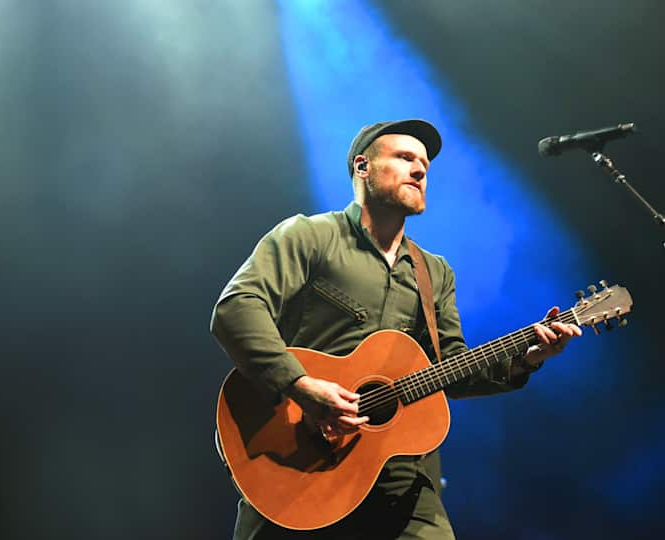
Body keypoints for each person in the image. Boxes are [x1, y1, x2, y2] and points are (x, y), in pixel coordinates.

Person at [210, 119, 582, 539]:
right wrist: (301, 386)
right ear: (363, 167)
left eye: (425, 164)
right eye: (405, 158)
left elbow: (453, 369)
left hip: (399, 480)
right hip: (296, 460)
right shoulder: (309, 236)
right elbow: (237, 308)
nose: (420, 170)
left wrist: (525, 359)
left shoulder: (434, 272)